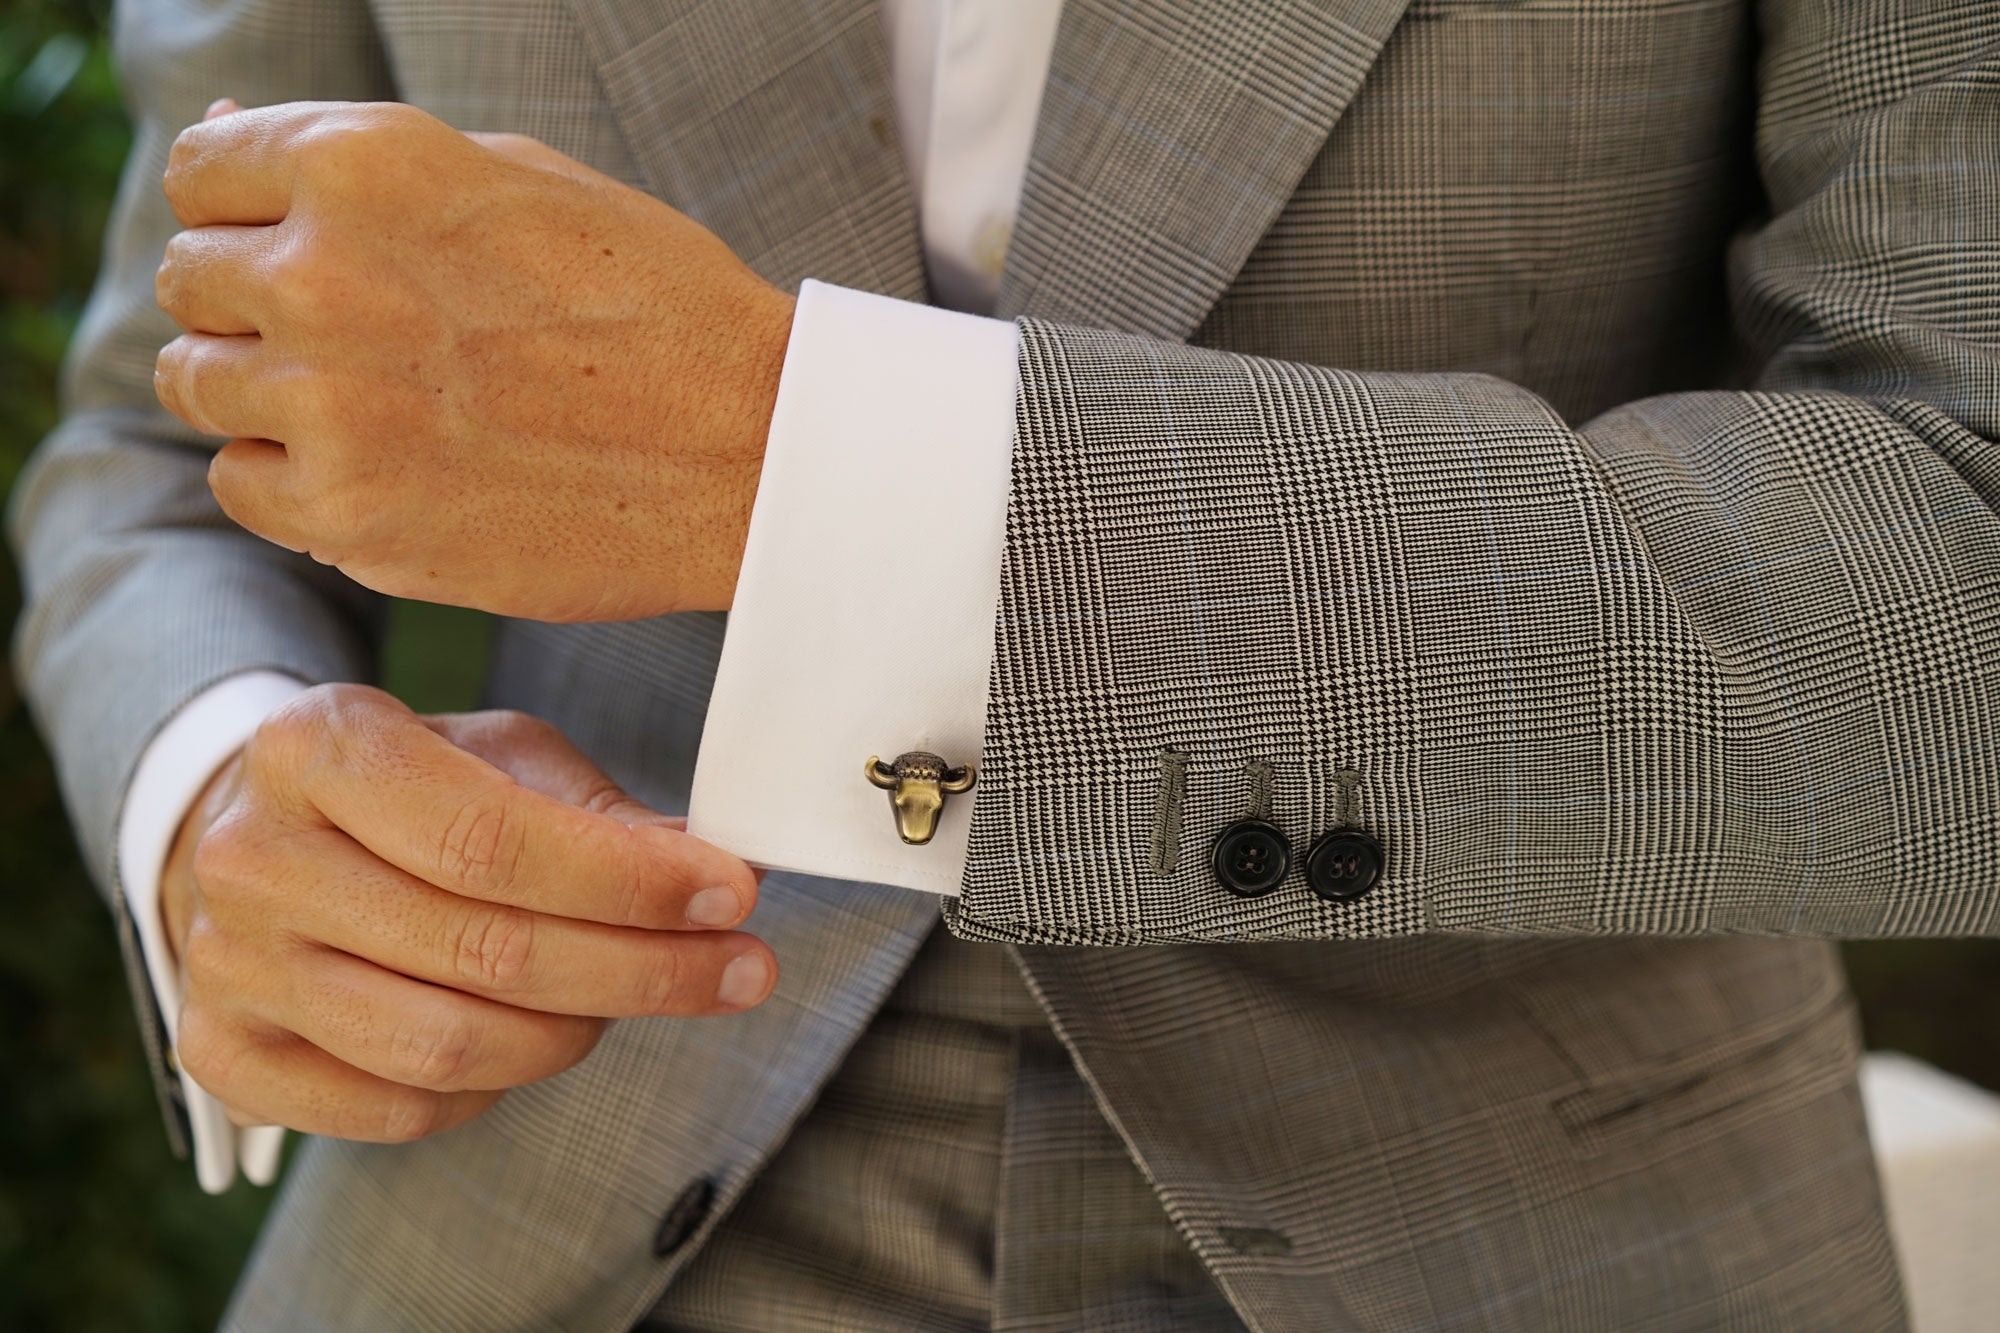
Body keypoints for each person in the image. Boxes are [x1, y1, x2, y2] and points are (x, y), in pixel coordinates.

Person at [12, 0, 1996, 1327]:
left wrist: (817, 464)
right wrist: (216, 778)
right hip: (540, 1206)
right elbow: (157, 437)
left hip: (1524, 1227)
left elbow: (1958, 565)